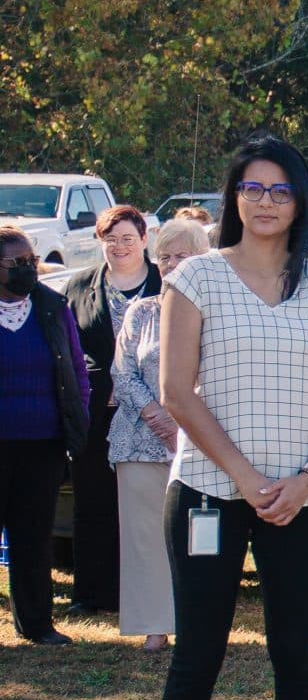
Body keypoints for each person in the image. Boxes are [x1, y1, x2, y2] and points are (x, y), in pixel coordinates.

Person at [153, 134, 308, 700]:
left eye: (279, 190)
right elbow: (177, 392)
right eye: (251, 189)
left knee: (296, 652)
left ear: (300, 200)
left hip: (300, 502)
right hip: (211, 495)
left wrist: (307, 480)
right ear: (233, 198)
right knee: (198, 652)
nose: (264, 201)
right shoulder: (197, 279)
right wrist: (246, 480)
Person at [112, 219, 212, 652]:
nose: (171, 264)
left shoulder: (220, 311)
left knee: (198, 539)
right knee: (144, 537)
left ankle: (199, 623)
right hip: (138, 440)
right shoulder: (142, 310)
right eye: (165, 256)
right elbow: (123, 372)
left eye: (182, 255)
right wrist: (158, 417)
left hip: (201, 442)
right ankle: (154, 624)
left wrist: (184, 424)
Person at [62, 203, 157, 622]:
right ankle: (89, 592)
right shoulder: (80, 285)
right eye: (110, 239)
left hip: (156, 412)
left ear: (144, 240)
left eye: (127, 239)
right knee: (94, 501)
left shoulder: (165, 281)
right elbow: (69, 346)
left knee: (146, 506)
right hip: (98, 410)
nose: (119, 247)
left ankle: (143, 590)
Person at [0, 223, 91, 646]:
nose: (28, 269)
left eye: (31, 261)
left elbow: (76, 370)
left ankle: (36, 624)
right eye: (17, 263)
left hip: (44, 444)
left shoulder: (52, 307)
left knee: (33, 536)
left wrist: (78, 418)